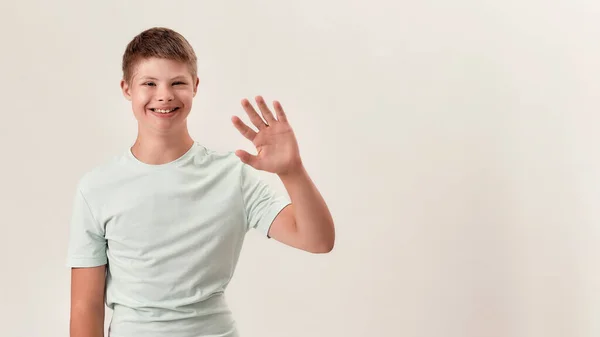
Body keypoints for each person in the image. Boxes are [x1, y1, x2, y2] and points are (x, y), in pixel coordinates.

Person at [66, 27, 335, 337]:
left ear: (195, 86)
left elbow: (318, 240)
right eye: (149, 83)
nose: (164, 95)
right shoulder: (97, 187)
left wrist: (292, 171)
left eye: (177, 82)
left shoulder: (233, 175)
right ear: (127, 89)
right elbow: (85, 305)